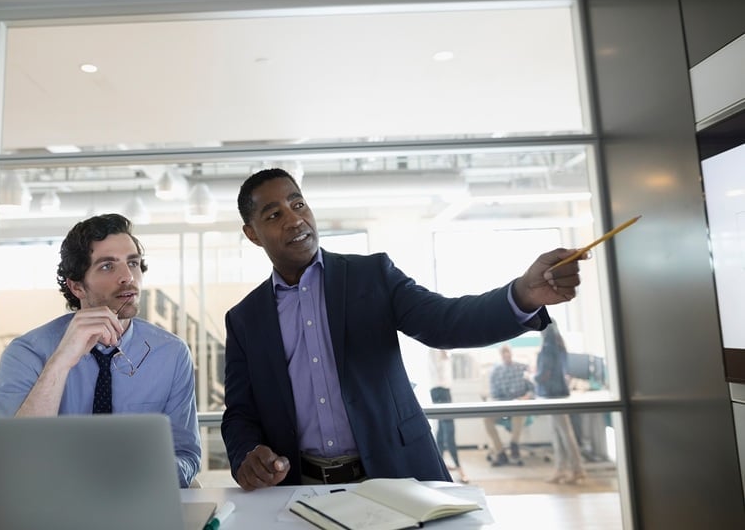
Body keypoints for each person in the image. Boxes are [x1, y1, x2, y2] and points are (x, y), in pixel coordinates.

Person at [220, 167, 587, 491]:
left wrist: (522, 293)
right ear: (252, 234)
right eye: (274, 214)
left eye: (298, 204)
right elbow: (239, 413)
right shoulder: (244, 319)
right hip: (301, 488)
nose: (294, 219)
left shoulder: (371, 275)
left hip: (396, 475)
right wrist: (246, 455)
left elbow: (446, 322)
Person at [0, 213, 201, 488]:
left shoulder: (171, 354)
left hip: (138, 497)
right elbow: (12, 459)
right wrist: (61, 361)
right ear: (77, 285)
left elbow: (186, 456)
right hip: (52, 501)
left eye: (133, 263)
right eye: (107, 267)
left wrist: (149, 470)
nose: (127, 277)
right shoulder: (26, 353)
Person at [534, 323, 587, 484]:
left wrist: (531, 377)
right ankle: (561, 470)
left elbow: (544, 375)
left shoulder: (548, 348)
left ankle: (577, 470)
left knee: (564, 434)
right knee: (559, 434)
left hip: (552, 395)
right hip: (559, 394)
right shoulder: (558, 345)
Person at [483, 343, 534, 466]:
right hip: (503, 406)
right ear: (500, 355)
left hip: (519, 406)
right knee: (486, 419)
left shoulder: (523, 368)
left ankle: (514, 445)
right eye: (503, 352)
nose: (506, 354)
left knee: (518, 412)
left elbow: (533, 390)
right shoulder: (496, 372)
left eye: (508, 351)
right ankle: (500, 452)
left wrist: (526, 397)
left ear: (512, 353)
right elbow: (494, 394)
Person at [428, 349, 468, 483]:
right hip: (440, 390)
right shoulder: (435, 349)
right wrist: (444, 356)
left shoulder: (440, 349)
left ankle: (440, 464)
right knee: (449, 429)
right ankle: (459, 467)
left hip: (442, 390)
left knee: (441, 429)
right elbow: (437, 371)